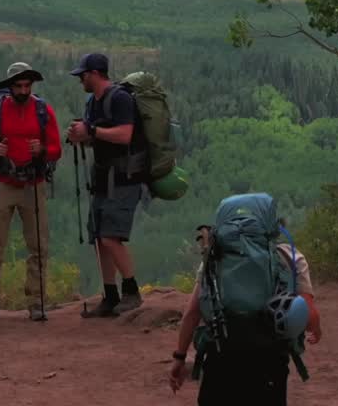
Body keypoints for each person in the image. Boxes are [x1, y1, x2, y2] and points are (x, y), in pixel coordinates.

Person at [168, 223, 323, 405]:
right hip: (270, 363)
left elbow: (192, 313)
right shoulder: (289, 255)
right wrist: (316, 329)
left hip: (221, 360)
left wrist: (180, 357)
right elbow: (309, 316)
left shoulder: (215, 257)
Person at [0, 62, 62, 322]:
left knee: (38, 246)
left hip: (33, 183)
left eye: (27, 85)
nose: (23, 90)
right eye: (18, 86)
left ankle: (36, 302)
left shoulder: (43, 111)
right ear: (9, 87)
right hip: (4, 181)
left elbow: (56, 150)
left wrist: (42, 150)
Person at [65, 52, 145, 317]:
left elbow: (125, 135)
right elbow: (97, 137)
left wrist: (90, 131)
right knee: (99, 237)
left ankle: (132, 291)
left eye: (83, 75)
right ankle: (110, 296)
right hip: (102, 178)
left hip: (124, 179)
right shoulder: (92, 102)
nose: (80, 79)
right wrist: (80, 135)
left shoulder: (120, 99)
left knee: (111, 236)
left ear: (96, 74)